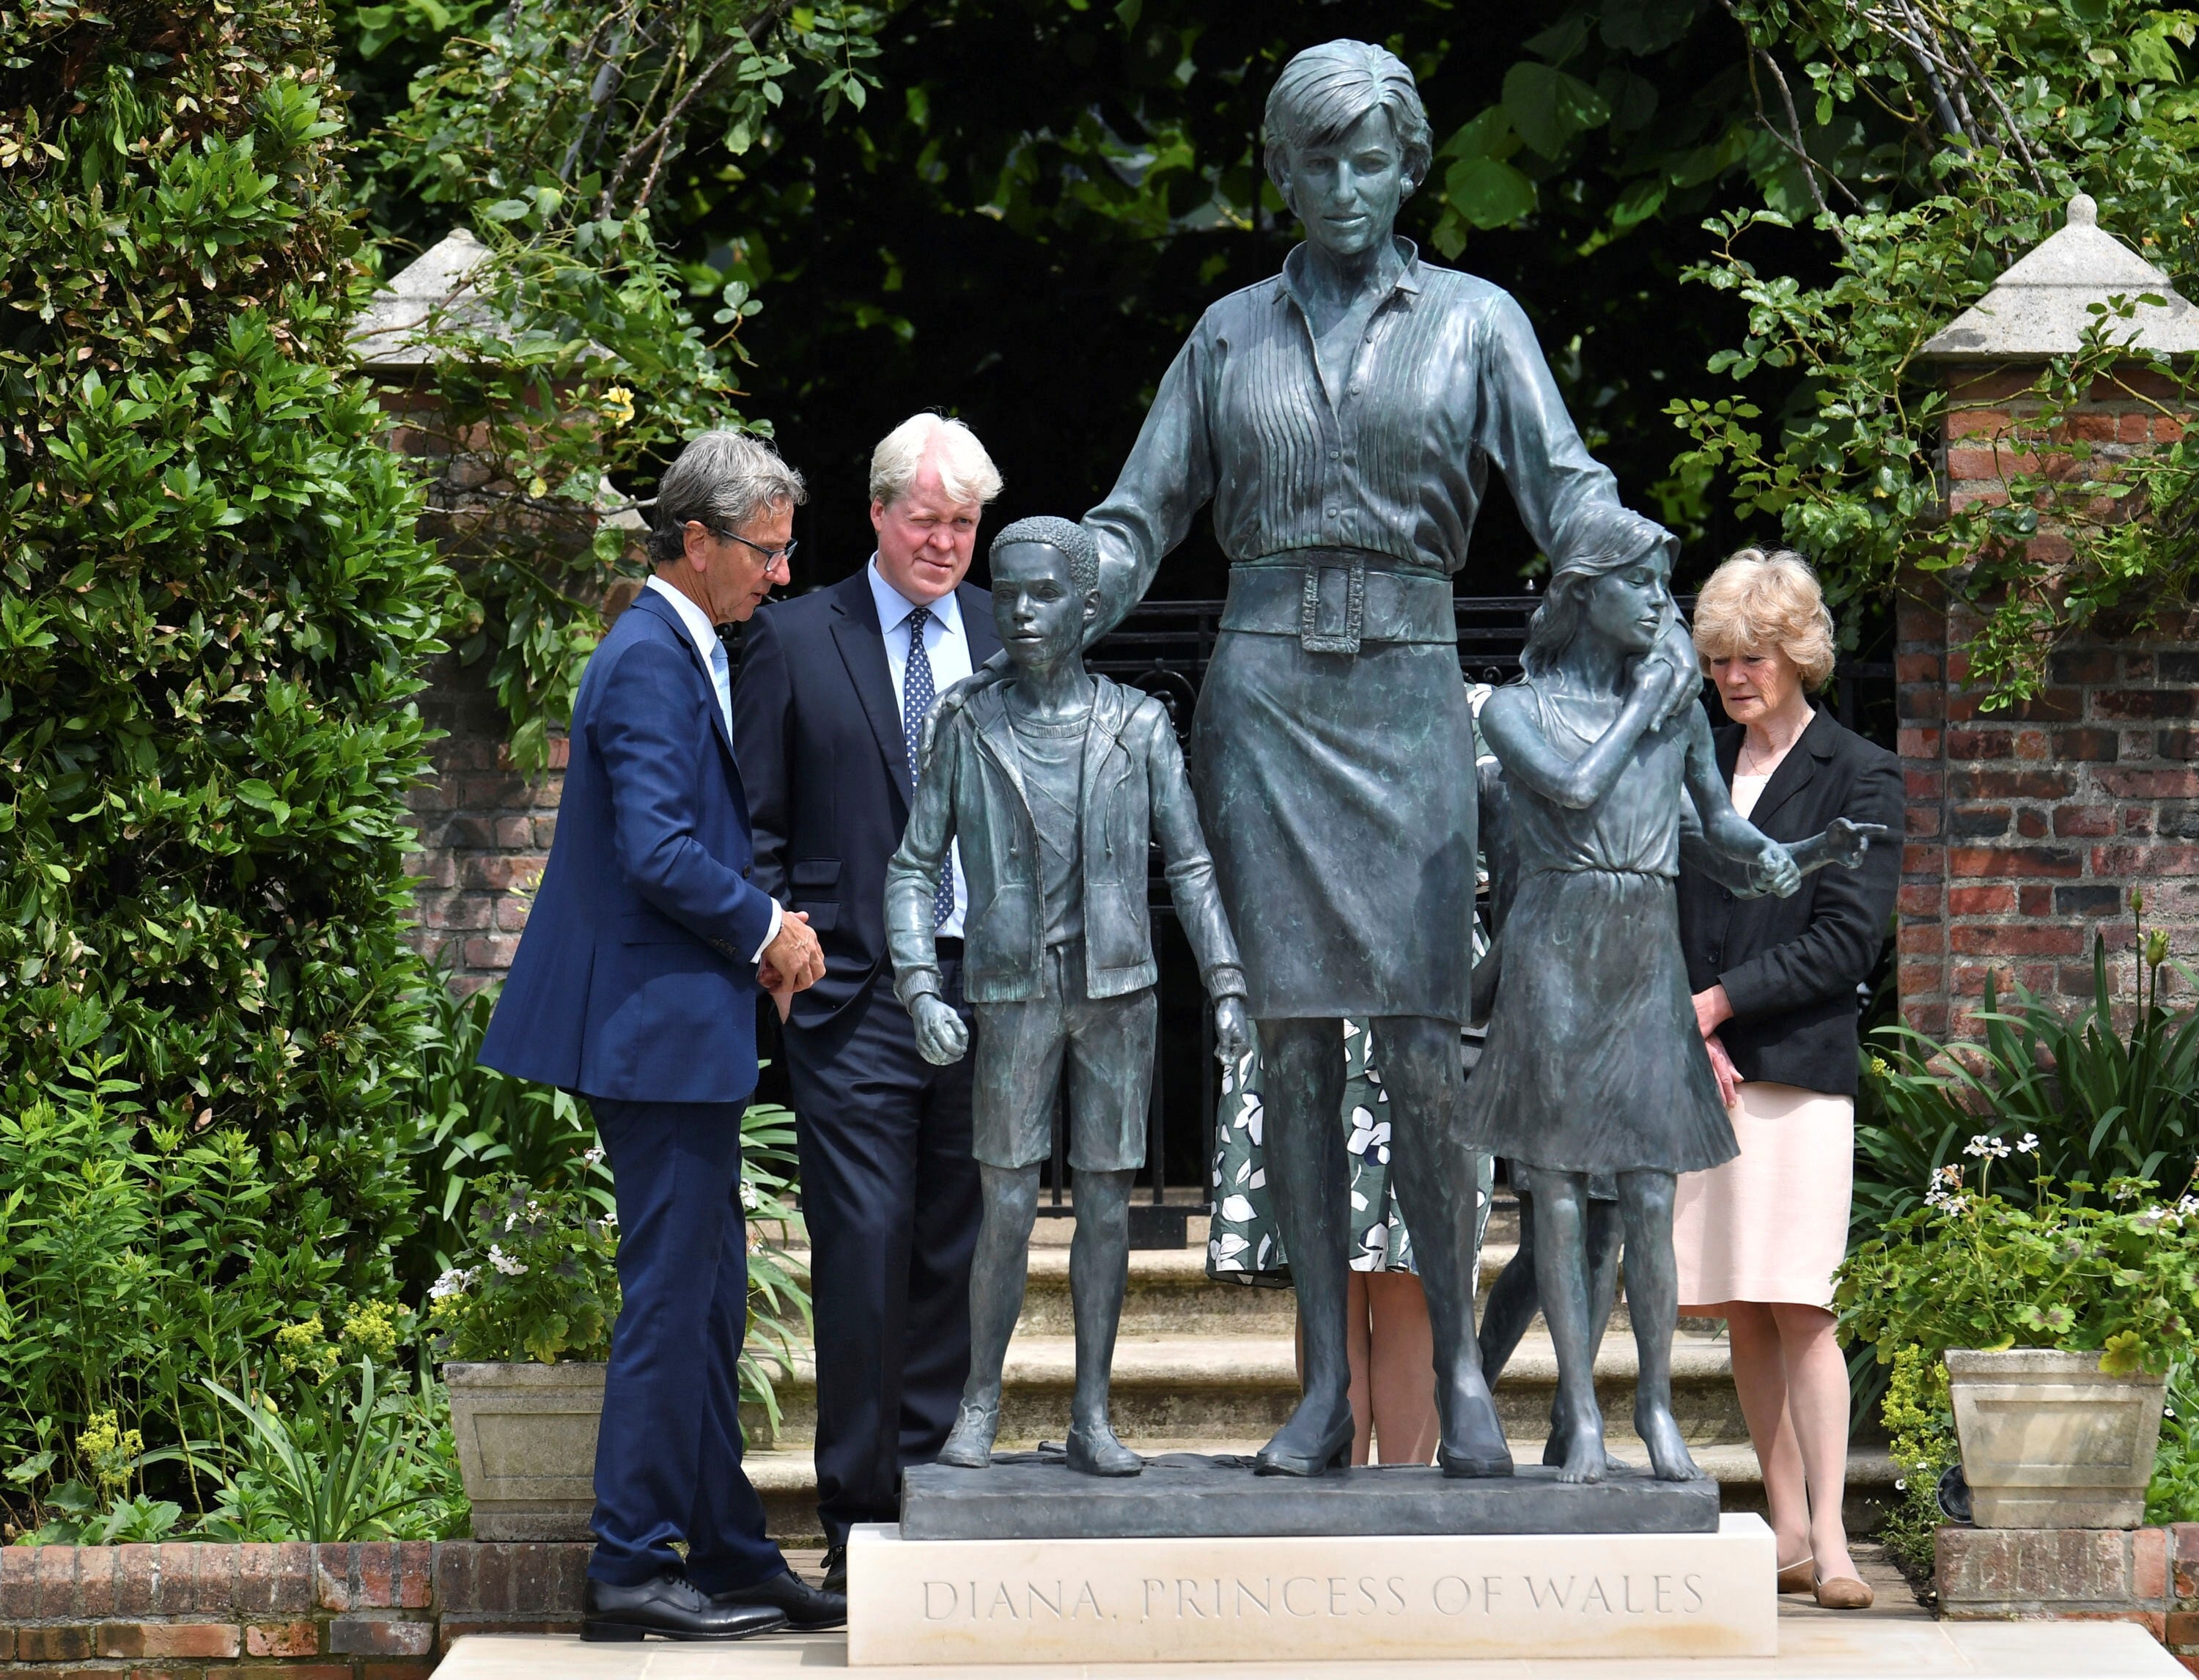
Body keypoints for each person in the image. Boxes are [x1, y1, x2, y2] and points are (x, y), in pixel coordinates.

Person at [931, 39, 1638, 1479]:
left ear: (1411, 165)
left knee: (1430, 1050)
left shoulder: (1477, 323)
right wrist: (1066, 593)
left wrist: (1638, 573)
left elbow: (1566, 488)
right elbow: (1142, 516)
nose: (1345, 183)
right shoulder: (1227, 336)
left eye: (1371, 156)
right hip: (1260, 704)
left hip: (1409, 696)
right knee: (1298, 1048)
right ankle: (1324, 1388)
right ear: (1281, 173)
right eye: (1317, 158)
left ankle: (1455, 1373)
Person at [479, 430, 844, 1640]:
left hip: (676, 1028)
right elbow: (660, 853)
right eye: (765, 551)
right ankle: (632, 1566)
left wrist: (763, 930)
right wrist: (771, 933)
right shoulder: (648, 657)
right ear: (696, 541)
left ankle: (731, 1552)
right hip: (653, 1031)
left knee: (711, 1300)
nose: (780, 575)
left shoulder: (686, 647)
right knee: (671, 1299)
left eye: (787, 552)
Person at [887, 517, 1252, 1475]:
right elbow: (912, 868)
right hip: (1010, 994)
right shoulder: (967, 721)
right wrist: (921, 983)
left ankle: (1092, 1410)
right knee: (1004, 1208)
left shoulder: (1136, 724)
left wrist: (1225, 986)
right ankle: (981, 1400)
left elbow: (1198, 864)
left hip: (1117, 994)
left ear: (1088, 610)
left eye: (1044, 595)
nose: (1021, 613)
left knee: (1104, 1206)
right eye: (1006, 593)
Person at [731, 413, 1002, 1591]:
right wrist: (781, 956)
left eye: (966, 523)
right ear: (881, 512)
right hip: (850, 998)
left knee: (958, 1249)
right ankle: (857, 1528)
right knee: (862, 1255)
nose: (947, 542)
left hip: (987, 994)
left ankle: (932, 1498)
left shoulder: (1006, 635)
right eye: (929, 518)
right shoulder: (797, 638)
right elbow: (753, 826)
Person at [1673, 548, 1901, 1610]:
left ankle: (1843, 1542)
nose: (1733, 676)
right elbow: (1666, 913)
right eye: (1719, 658)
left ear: (1798, 652)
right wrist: (1693, 1020)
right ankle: (1788, 1528)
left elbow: (1847, 940)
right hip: (1707, 1074)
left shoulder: (1860, 772)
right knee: (1742, 1308)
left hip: (1798, 1073)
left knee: (1802, 1301)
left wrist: (1719, 1005)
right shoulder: (1698, 766)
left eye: (1752, 656)